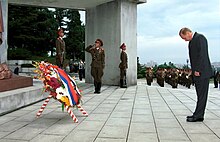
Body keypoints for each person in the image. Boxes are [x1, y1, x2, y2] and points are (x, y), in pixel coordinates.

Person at [179, 27, 212, 122]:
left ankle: (198, 115)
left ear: (188, 33)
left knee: (202, 95)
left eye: (184, 37)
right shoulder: (192, 41)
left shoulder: (200, 38)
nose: (184, 40)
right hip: (197, 73)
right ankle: (198, 114)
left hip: (202, 72)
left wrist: (198, 70)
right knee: (200, 95)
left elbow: (202, 55)